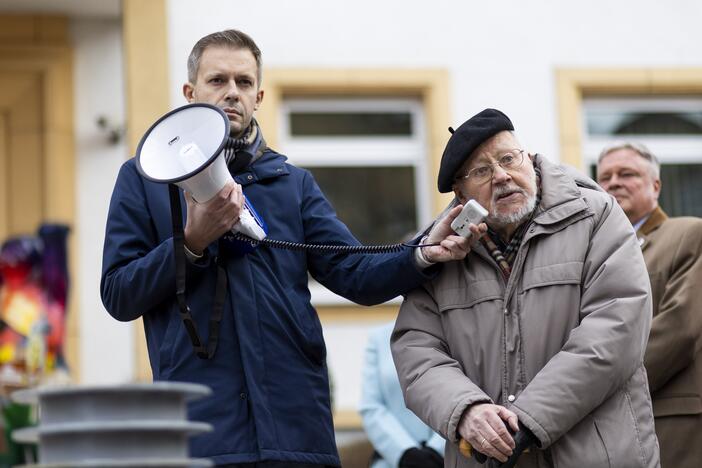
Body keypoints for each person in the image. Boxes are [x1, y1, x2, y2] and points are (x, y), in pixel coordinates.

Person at [100, 29, 481, 467]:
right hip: (203, 432)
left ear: (259, 96)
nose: (231, 93)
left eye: (243, 83)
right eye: (217, 81)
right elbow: (118, 292)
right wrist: (191, 243)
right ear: (190, 92)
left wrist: (422, 253)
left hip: (295, 427)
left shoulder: (291, 183)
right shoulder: (146, 178)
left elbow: (352, 271)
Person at [391, 108, 661, 468]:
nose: (502, 176)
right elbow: (417, 352)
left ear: (529, 159)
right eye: (482, 171)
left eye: (508, 158)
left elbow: (616, 328)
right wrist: (466, 411)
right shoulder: (443, 249)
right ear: (461, 195)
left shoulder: (595, 215)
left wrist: (528, 420)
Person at [597, 142, 702, 468]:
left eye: (626, 173)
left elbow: (681, 328)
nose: (613, 182)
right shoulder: (594, 254)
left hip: (667, 421)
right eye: (604, 177)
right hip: (605, 433)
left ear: (655, 185)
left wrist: (596, 387)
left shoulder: (688, 234)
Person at [360, 322, 445, 468]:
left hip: (449, 459)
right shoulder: (379, 337)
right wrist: (405, 453)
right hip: (393, 462)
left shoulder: (457, 333)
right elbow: (371, 407)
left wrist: (438, 450)